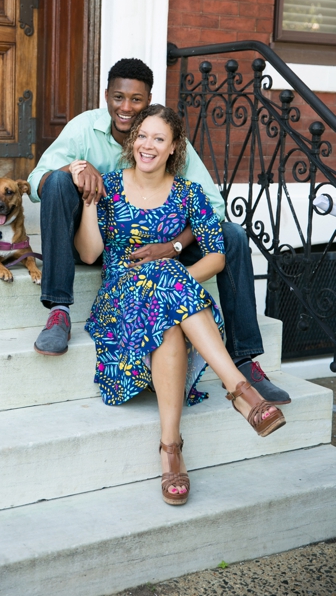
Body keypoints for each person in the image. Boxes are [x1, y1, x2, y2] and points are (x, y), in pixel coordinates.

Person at [27, 58, 290, 404]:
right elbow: (36, 182)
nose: (126, 108)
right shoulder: (84, 129)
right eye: (118, 98)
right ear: (106, 96)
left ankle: (245, 358)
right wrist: (76, 168)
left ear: (148, 100)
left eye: (136, 100)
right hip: (95, 241)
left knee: (233, 236)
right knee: (59, 181)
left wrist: (174, 247)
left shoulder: (161, 135)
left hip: (161, 248)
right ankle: (59, 310)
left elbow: (212, 206)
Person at [75, 103, 285, 505]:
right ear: (132, 141)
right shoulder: (111, 187)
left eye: (158, 138)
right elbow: (88, 255)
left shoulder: (189, 193)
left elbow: (217, 257)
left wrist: (170, 276)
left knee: (169, 322)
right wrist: (88, 204)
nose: (147, 145)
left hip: (167, 303)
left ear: (174, 148)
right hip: (120, 298)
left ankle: (170, 450)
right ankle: (241, 391)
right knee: (165, 276)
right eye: (141, 136)